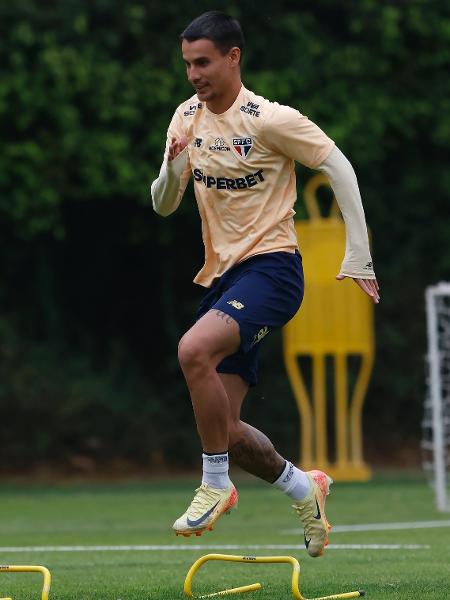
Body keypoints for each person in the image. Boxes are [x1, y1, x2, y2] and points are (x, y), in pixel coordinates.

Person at [151, 11, 379, 558]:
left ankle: (215, 483)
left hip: (273, 270)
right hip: (226, 279)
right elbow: (163, 205)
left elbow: (339, 167)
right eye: (187, 64)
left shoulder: (270, 119)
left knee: (192, 349)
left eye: (202, 63)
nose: (193, 76)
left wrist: (359, 256)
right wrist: (171, 170)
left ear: (233, 58)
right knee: (226, 430)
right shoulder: (186, 118)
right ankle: (305, 488)